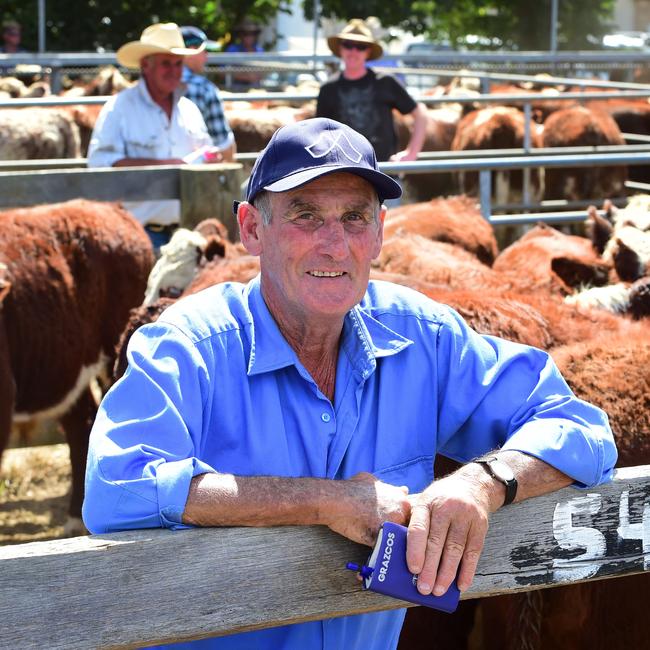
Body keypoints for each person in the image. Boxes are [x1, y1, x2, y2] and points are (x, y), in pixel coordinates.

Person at [83, 117, 617, 650]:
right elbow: (117, 488)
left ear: (381, 231)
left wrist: (483, 482)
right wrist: (324, 502)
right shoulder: (187, 346)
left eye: (355, 217)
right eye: (306, 215)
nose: (334, 245)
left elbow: (579, 426)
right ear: (251, 229)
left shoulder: (420, 337)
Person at [87, 23, 220, 252]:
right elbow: (100, 163)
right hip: (137, 234)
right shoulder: (119, 108)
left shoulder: (188, 109)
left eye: (178, 63)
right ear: (145, 66)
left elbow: (207, 151)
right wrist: (172, 166)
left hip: (189, 233)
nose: (174, 70)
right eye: (165, 63)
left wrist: (212, 158)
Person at [317, 18, 427, 163]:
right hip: (343, 173)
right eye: (348, 45)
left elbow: (420, 114)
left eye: (361, 46)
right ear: (340, 48)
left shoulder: (385, 82)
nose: (353, 51)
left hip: (383, 171)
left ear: (368, 51)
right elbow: (319, 133)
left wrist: (411, 153)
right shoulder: (328, 89)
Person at [180, 25, 236, 161]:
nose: (207, 56)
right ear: (191, 51)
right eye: (204, 51)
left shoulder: (153, 87)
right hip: (198, 170)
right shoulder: (204, 88)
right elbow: (223, 144)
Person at [224, 17, 264, 89]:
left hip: (256, 90)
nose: (249, 37)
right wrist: (245, 77)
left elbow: (264, 71)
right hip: (236, 90)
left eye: (252, 34)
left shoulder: (259, 50)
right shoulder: (233, 50)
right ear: (240, 35)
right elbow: (221, 72)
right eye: (245, 34)